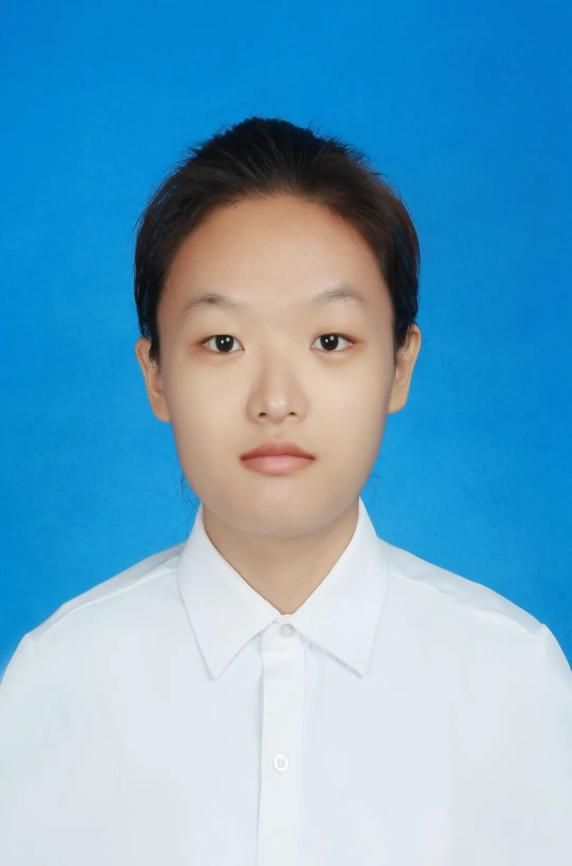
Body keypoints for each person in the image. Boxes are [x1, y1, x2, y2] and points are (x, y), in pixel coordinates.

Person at [0, 116, 570, 865]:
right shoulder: (56, 681)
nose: (275, 399)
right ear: (156, 375)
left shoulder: (516, 681)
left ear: (399, 367)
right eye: (223, 343)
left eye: (330, 341)